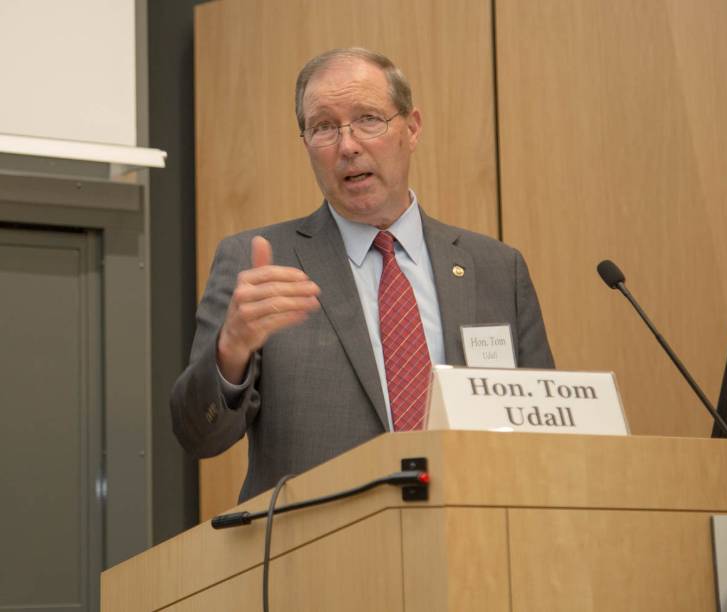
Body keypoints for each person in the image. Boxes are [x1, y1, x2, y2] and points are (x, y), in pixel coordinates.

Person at [170, 47, 554, 502]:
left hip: (472, 544)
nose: (347, 145)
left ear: (411, 129)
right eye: (324, 127)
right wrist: (229, 352)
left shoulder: (496, 269)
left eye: (368, 119)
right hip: (320, 554)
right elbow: (199, 436)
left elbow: (542, 430)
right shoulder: (260, 265)